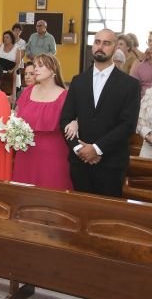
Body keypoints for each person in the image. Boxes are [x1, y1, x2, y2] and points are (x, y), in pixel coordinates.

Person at [59, 28, 141, 197]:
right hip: (80, 162)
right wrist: (78, 148)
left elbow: (128, 125)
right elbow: (66, 119)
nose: (100, 47)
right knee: (81, 213)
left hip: (111, 163)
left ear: (116, 47)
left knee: (108, 217)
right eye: (97, 42)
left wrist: (97, 148)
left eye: (106, 43)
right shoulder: (78, 81)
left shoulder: (129, 85)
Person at [12, 54, 72, 190]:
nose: (35, 70)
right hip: (26, 152)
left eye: (40, 66)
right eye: (35, 65)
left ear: (53, 70)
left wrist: (75, 123)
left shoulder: (65, 96)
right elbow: (16, 116)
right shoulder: (27, 92)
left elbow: (73, 120)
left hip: (53, 154)